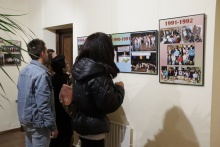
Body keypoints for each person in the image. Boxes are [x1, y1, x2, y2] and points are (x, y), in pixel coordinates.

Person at [72, 32, 125, 147]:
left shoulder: (79, 69)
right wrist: (119, 88)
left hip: (81, 123)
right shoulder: (98, 76)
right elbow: (109, 104)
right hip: (93, 128)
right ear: (105, 50)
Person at [17, 39, 58, 147]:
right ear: (42, 53)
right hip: (38, 124)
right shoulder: (41, 74)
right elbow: (43, 104)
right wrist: (52, 126)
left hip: (26, 121)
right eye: (46, 51)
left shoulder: (24, 71)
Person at [49, 55, 73, 147]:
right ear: (63, 68)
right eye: (66, 63)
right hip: (65, 113)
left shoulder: (51, 78)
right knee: (65, 139)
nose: (68, 64)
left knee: (55, 140)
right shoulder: (67, 80)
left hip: (54, 113)